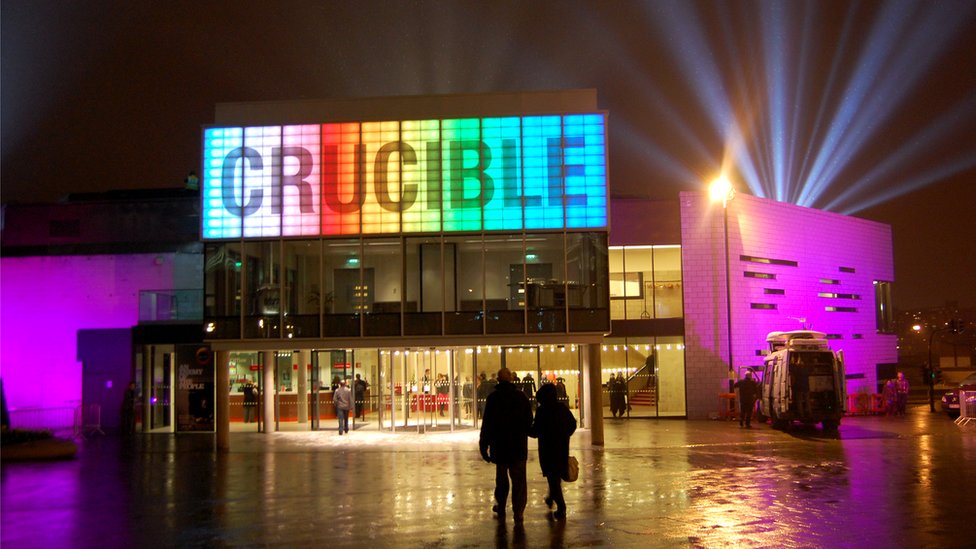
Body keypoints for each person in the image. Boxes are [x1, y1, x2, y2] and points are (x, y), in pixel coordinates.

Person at [479, 368, 533, 523]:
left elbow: (487, 424)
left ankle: (501, 506)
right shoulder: (521, 397)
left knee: (501, 480)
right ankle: (518, 512)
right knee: (519, 482)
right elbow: (528, 421)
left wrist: (484, 445)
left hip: (500, 447)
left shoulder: (493, 398)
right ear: (511, 379)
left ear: (498, 380)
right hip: (518, 447)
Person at [529, 383, 577, 519]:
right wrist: (564, 434)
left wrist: (525, 429)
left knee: (553, 478)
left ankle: (561, 507)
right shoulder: (562, 408)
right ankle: (551, 497)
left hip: (547, 450)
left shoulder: (542, 411)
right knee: (555, 477)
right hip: (561, 449)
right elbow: (572, 424)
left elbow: (535, 431)